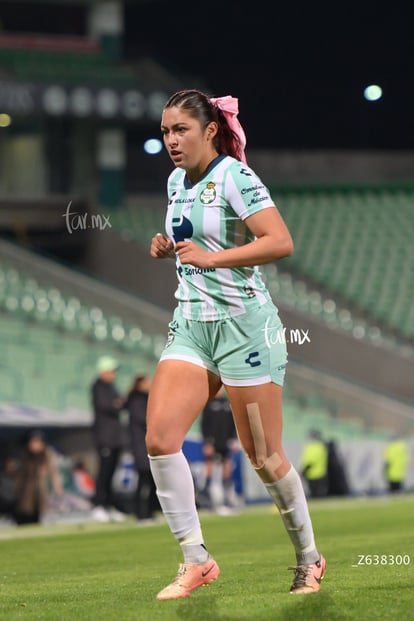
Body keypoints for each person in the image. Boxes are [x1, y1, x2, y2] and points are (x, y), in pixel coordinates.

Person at [146, 89, 326, 600]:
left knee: (264, 456)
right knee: (160, 439)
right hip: (192, 325)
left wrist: (210, 259)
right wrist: (169, 251)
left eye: (180, 130)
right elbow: (193, 245)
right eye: (165, 131)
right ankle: (196, 559)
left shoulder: (236, 176)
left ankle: (310, 559)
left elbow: (279, 241)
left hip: (245, 328)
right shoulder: (175, 181)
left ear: (208, 130)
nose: (171, 141)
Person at [90, 355, 126, 522]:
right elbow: (108, 406)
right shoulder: (97, 387)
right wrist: (116, 403)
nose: (114, 374)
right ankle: (98, 506)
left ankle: (109, 506)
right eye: (111, 371)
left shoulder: (110, 387)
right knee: (104, 473)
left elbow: (119, 404)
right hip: (105, 438)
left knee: (111, 473)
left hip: (115, 438)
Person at [124, 374, 160, 523]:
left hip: (147, 444)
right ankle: (140, 513)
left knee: (152, 480)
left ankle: (150, 512)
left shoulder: (146, 399)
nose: (149, 384)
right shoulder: (136, 401)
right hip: (140, 445)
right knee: (143, 480)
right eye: (146, 382)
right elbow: (144, 420)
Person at [198, 385, 240, 512]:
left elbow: (233, 423)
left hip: (225, 442)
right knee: (209, 466)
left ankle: (227, 498)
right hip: (212, 442)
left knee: (227, 468)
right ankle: (206, 496)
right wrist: (207, 442)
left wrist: (234, 439)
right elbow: (204, 424)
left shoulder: (227, 403)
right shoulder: (209, 403)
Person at [13, 429, 63, 525]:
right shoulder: (25, 457)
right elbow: (20, 477)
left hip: (42, 492)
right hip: (27, 494)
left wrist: (57, 487)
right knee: (26, 516)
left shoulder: (47, 455)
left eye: (37, 442)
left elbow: (54, 473)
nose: (34, 445)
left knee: (39, 516)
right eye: (32, 442)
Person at [300, 430, 328, 498]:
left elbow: (310, 460)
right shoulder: (321, 447)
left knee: (315, 494)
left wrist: (304, 470)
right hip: (319, 473)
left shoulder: (313, 447)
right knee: (318, 494)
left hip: (313, 474)